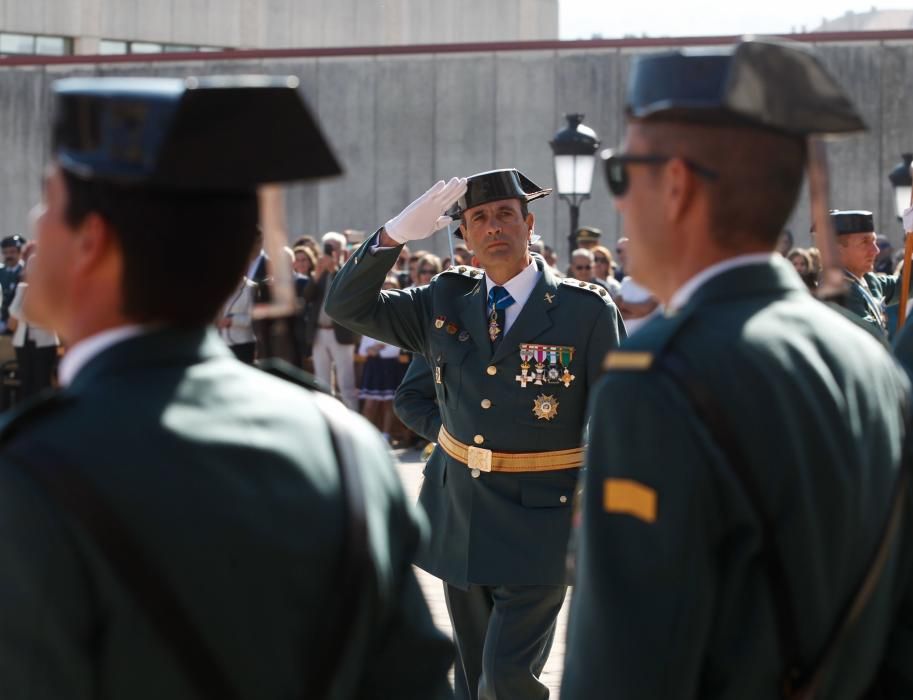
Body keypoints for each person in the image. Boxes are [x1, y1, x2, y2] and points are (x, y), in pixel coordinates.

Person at [0, 75, 453, 700]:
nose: (33, 225)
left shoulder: (24, 474)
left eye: (47, 203)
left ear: (91, 241)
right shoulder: (346, 448)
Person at [562, 39, 913, 699]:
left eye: (619, 174)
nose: (615, 203)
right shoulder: (869, 361)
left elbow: (626, 668)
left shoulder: (655, 381)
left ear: (673, 184)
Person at [326, 167, 625, 700]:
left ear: (529, 223)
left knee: (506, 679)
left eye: (505, 215)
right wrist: (392, 235)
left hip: (544, 516)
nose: (493, 227)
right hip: (462, 509)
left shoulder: (585, 310)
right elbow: (346, 308)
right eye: (478, 218)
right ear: (463, 235)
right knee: (471, 680)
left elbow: (616, 416)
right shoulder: (444, 300)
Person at [825, 210, 912, 342]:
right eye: (865, 242)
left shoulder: (868, 280)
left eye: (874, 241)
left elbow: (906, 285)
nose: (876, 250)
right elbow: (869, 338)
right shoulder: (837, 289)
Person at [302, 230, 359, 409]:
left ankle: (353, 424)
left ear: (341, 250)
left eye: (333, 248)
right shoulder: (319, 272)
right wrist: (317, 274)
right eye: (327, 248)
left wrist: (334, 269)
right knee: (322, 383)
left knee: (346, 384)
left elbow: (347, 294)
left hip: (341, 333)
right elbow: (306, 297)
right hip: (319, 332)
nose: (329, 252)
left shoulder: (348, 269)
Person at [7, 256, 59, 398]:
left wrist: (21, 314)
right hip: (22, 342)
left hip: (44, 343)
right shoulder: (22, 288)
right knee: (26, 382)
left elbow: (38, 316)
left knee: (42, 383)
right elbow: (12, 311)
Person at [0, 234, 25, 334]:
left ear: (20, 252)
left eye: (12, 252)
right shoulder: (1, 271)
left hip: (18, 324)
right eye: (5, 252)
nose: (8, 256)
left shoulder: (25, 271)